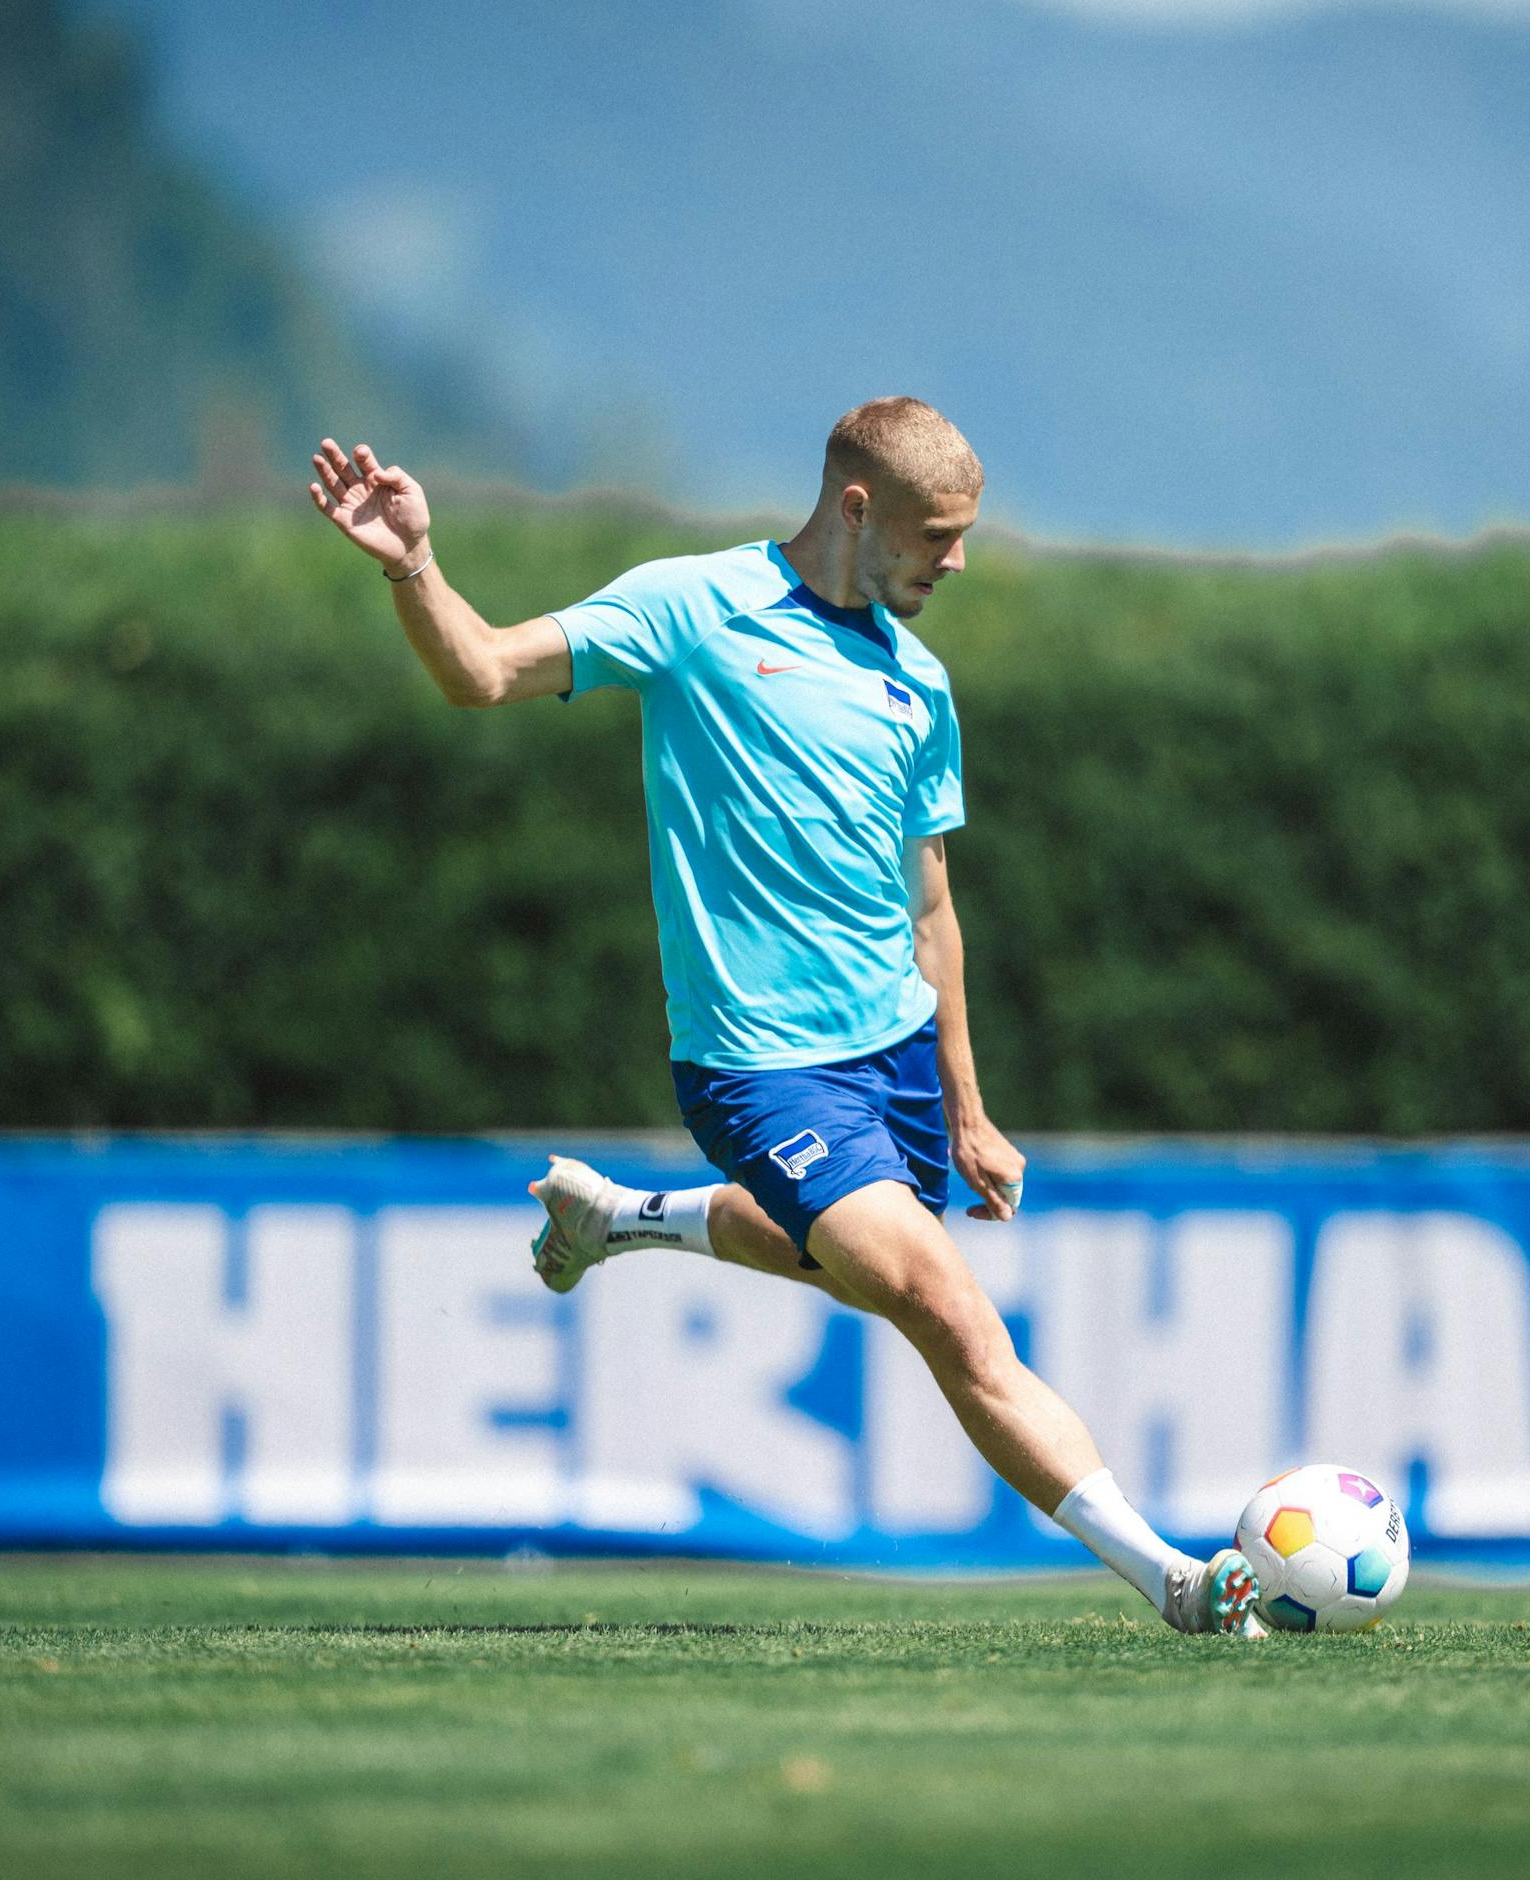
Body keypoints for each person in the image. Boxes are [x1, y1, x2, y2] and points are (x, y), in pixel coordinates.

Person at [308, 398, 1263, 1637]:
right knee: (939, 1301)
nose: (956, 561)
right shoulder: (690, 607)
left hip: (897, 1057)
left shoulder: (918, 682)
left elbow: (932, 911)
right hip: (758, 1068)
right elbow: (482, 670)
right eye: (938, 535)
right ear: (855, 508)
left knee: (848, 1259)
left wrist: (967, 1107)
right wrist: (418, 567)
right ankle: (1174, 1578)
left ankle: (619, 1216)